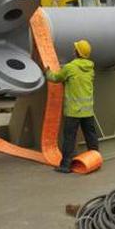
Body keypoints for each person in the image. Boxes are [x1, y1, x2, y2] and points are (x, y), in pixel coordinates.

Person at [46, 39, 98, 174]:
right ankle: (96, 159)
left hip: (74, 111)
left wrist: (47, 73)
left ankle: (65, 166)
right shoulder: (91, 68)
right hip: (88, 110)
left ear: (76, 52)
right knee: (91, 136)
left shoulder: (70, 67)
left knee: (69, 138)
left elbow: (56, 78)